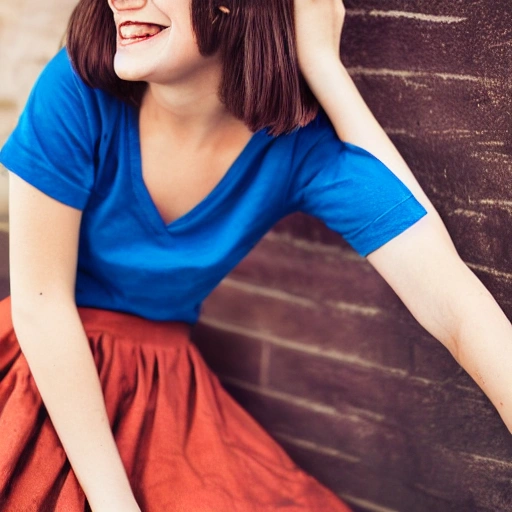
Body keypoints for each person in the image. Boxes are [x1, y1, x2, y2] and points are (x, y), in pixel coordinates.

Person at [0, 0, 511, 510]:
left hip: (161, 390)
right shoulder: (76, 90)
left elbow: (452, 300)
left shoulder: (297, 150)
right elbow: (41, 307)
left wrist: (324, 68)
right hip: (39, 366)